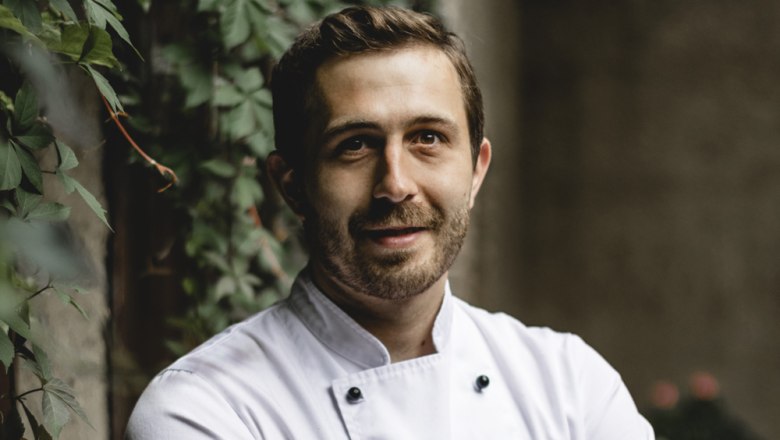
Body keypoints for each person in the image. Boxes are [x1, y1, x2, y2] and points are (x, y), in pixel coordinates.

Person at [126, 6, 654, 439]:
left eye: (428, 138)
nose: (396, 184)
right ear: (292, 185)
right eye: (354, 145)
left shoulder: (570, 386)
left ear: (475, 171)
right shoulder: (204, 409)